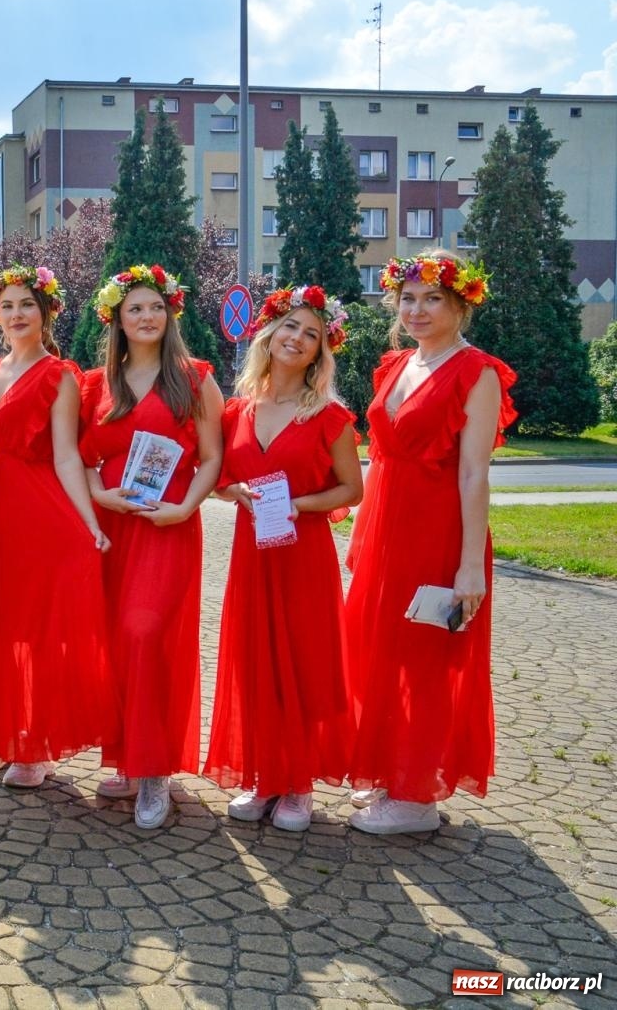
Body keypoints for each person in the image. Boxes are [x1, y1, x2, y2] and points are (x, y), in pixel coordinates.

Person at [343, 251, 515, 835]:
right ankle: (393, 772)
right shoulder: (396, 365)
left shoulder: (478, 372)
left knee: (424, 657)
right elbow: (381, 456)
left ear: (460, 304)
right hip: (388, 528)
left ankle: (417, 797)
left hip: (439, 531)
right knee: (382, 651)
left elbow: (474, 473)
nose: (415, 310)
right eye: (407, 299)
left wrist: (471, 567)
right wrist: (360, 524)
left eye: (431, 299)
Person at [204, 285, 363, 832]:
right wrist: (236, 492)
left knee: (303, 661)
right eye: (290, 327)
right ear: (268, 335)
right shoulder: (238, 409)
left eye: (311, 334)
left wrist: (298, 504)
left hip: (303, 555)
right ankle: (264, 775)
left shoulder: (331, 416)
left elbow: (352, 490)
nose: (297, 338)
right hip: (252, 553)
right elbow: (220, 476)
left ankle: (299, 785)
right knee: (256, 661)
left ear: (321, 351)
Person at [81, 265, 223, 830]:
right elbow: (79, 458)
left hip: (167, 526)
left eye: (156, 308)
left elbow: (213, 458)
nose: (147, 317)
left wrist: (186, 507)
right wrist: (101, 496)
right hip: (111, 527)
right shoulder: (96, 384)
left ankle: (156, 770)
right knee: (115, 643)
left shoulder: (194, 379)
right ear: (117, 317)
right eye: (135, 308)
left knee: (146, 636)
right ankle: (126, 758)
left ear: (171, 316)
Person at [0, 265, 118, 791]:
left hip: (42, 515)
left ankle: (37, 745)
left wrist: (88, 521)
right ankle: (3, 736)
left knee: (39, 634)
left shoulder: (61, 375)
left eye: (26, 304)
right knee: (2, 630)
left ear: (46, 310)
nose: (16, 314)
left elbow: (66, 457)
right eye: (7, 306)